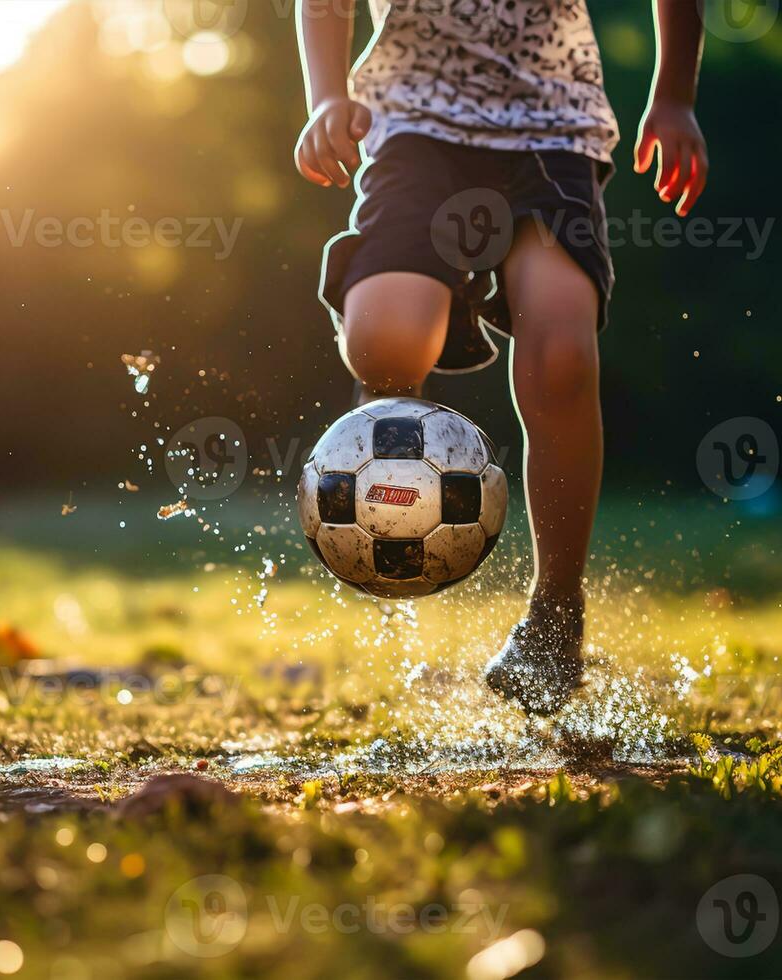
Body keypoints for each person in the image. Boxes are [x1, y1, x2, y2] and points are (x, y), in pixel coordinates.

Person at [294, 0, 708, 714]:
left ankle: (554, 614)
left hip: (551, 127)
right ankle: (388, 469)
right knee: (386, 340)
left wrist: (673, 96)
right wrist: (327, 94)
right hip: (416, 120)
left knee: (563, 359)